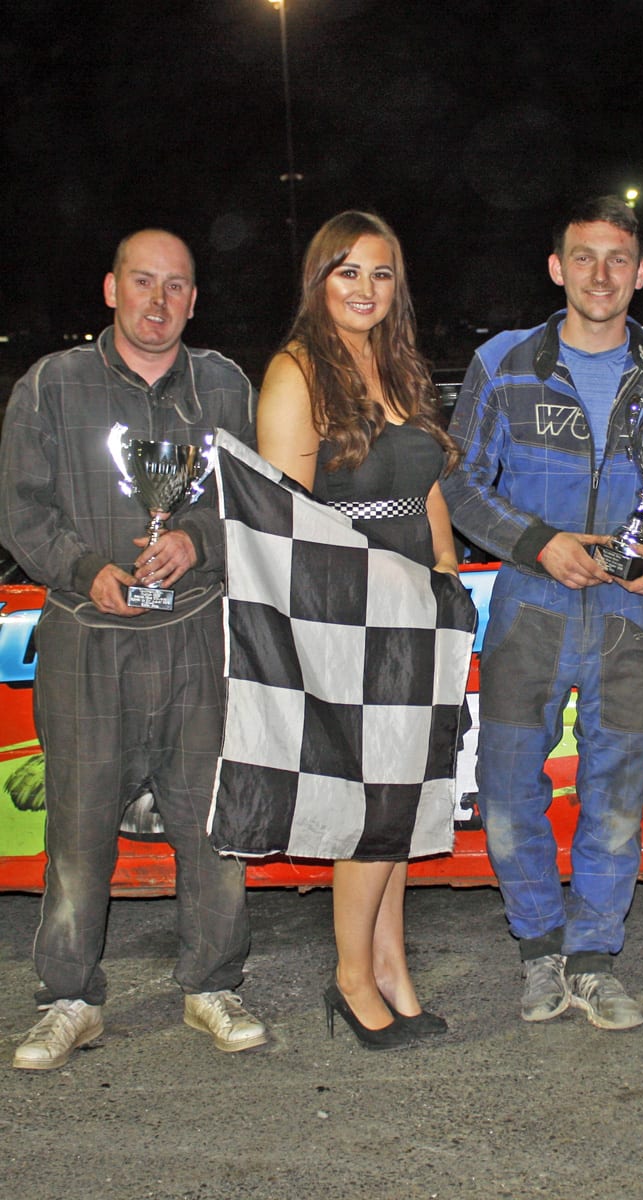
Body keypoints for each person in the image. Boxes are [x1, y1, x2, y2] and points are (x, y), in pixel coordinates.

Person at [441, 195, 643, 1030]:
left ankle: (595, 958)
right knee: (507, 792)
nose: (600, 275)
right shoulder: (505, 363)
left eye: (617, 260)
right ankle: (539, 952)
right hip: (530, 607)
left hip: (631, 618)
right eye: (584, 257)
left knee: (616, 794)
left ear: (640, 273)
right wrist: (537, 541)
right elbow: (461, 483)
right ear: (556, 268)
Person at [0, 230, 267, 1070]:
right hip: (89, 640)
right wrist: (84, 568)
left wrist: (194, 538)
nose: (158, 301)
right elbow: (21, 510)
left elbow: (257, 499)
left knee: (210, 827)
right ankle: (70, 1000)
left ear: (195, 299)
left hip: (198, 637)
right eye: (142, 283)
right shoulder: (50, 385)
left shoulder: (224, 385)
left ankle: (210, 984)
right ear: (110, 288)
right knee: (79, 832)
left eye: (176, 287)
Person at [256, 211, 462, 1049]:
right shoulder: (295, 373)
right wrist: (364, 602)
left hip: (421, 605)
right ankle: (350, 978)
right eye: (348, 272)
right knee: (371, 807)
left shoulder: (399, 368)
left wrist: (447, 576)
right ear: (319, 280)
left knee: (403, 803)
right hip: (350, 612)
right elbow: (288, 520)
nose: (365, 290)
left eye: (380, 274)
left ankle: (392, 965)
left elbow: (428, 487)